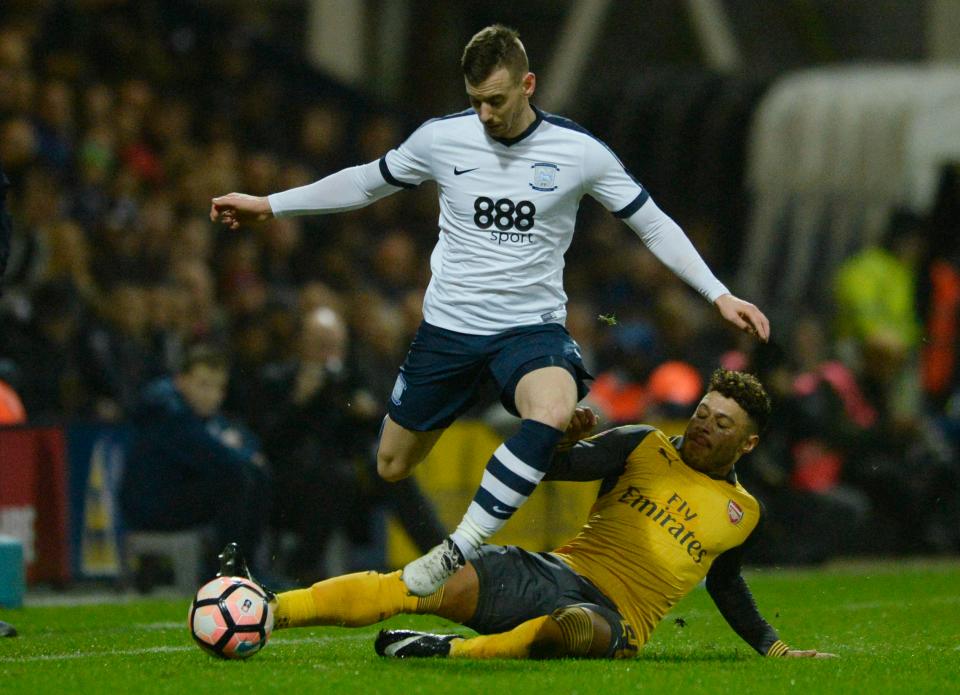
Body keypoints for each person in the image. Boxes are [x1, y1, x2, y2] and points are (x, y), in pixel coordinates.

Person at [210, 25, 771, 596]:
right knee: (392, 465)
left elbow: (650, 221)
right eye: (475, 101)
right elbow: (366, 183)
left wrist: (718, 293)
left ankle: (457, 548)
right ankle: (502, 448)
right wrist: (271, 205)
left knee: (552, 407)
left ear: (528, 85)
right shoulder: (441, 139)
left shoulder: (577, 152)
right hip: (448, 332)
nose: (484, 114)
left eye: (496, 101)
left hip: (529, 332)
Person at [219, 369, 833, 660]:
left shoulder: (743, 513)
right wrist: (562, 439)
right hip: (550, 570)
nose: (702, 425)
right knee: (422, 578)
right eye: (702, 412)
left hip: (612, 617)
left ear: (747, 444)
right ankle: (271, 609)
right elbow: (557, 468)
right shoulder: (643, 444)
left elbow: (725, 583)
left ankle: (442, 653)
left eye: (721, 423)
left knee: (568, 630)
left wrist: (774, 649)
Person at [119, 345, 270, 579]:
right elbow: (217, 455)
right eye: (203, 384)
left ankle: (245, 568)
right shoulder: (168, 412)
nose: (211, 395)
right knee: (237, 477)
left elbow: (246, 442)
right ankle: (226, 575)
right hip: (152, 506)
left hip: (180, 496)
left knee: (257, 474)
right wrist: (240, 453)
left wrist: (242, 453)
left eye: (218, 387)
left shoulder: (201, 415)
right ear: (181, 381)